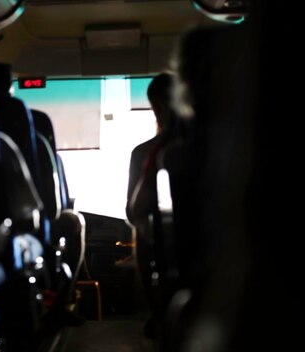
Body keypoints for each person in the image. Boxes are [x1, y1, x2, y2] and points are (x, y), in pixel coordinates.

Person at [124, 72, 176, 339]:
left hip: (170, 241)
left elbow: (134, 209)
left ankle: (157, 312)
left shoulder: (148, 152)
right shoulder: (220, 139)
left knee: (142, 229)